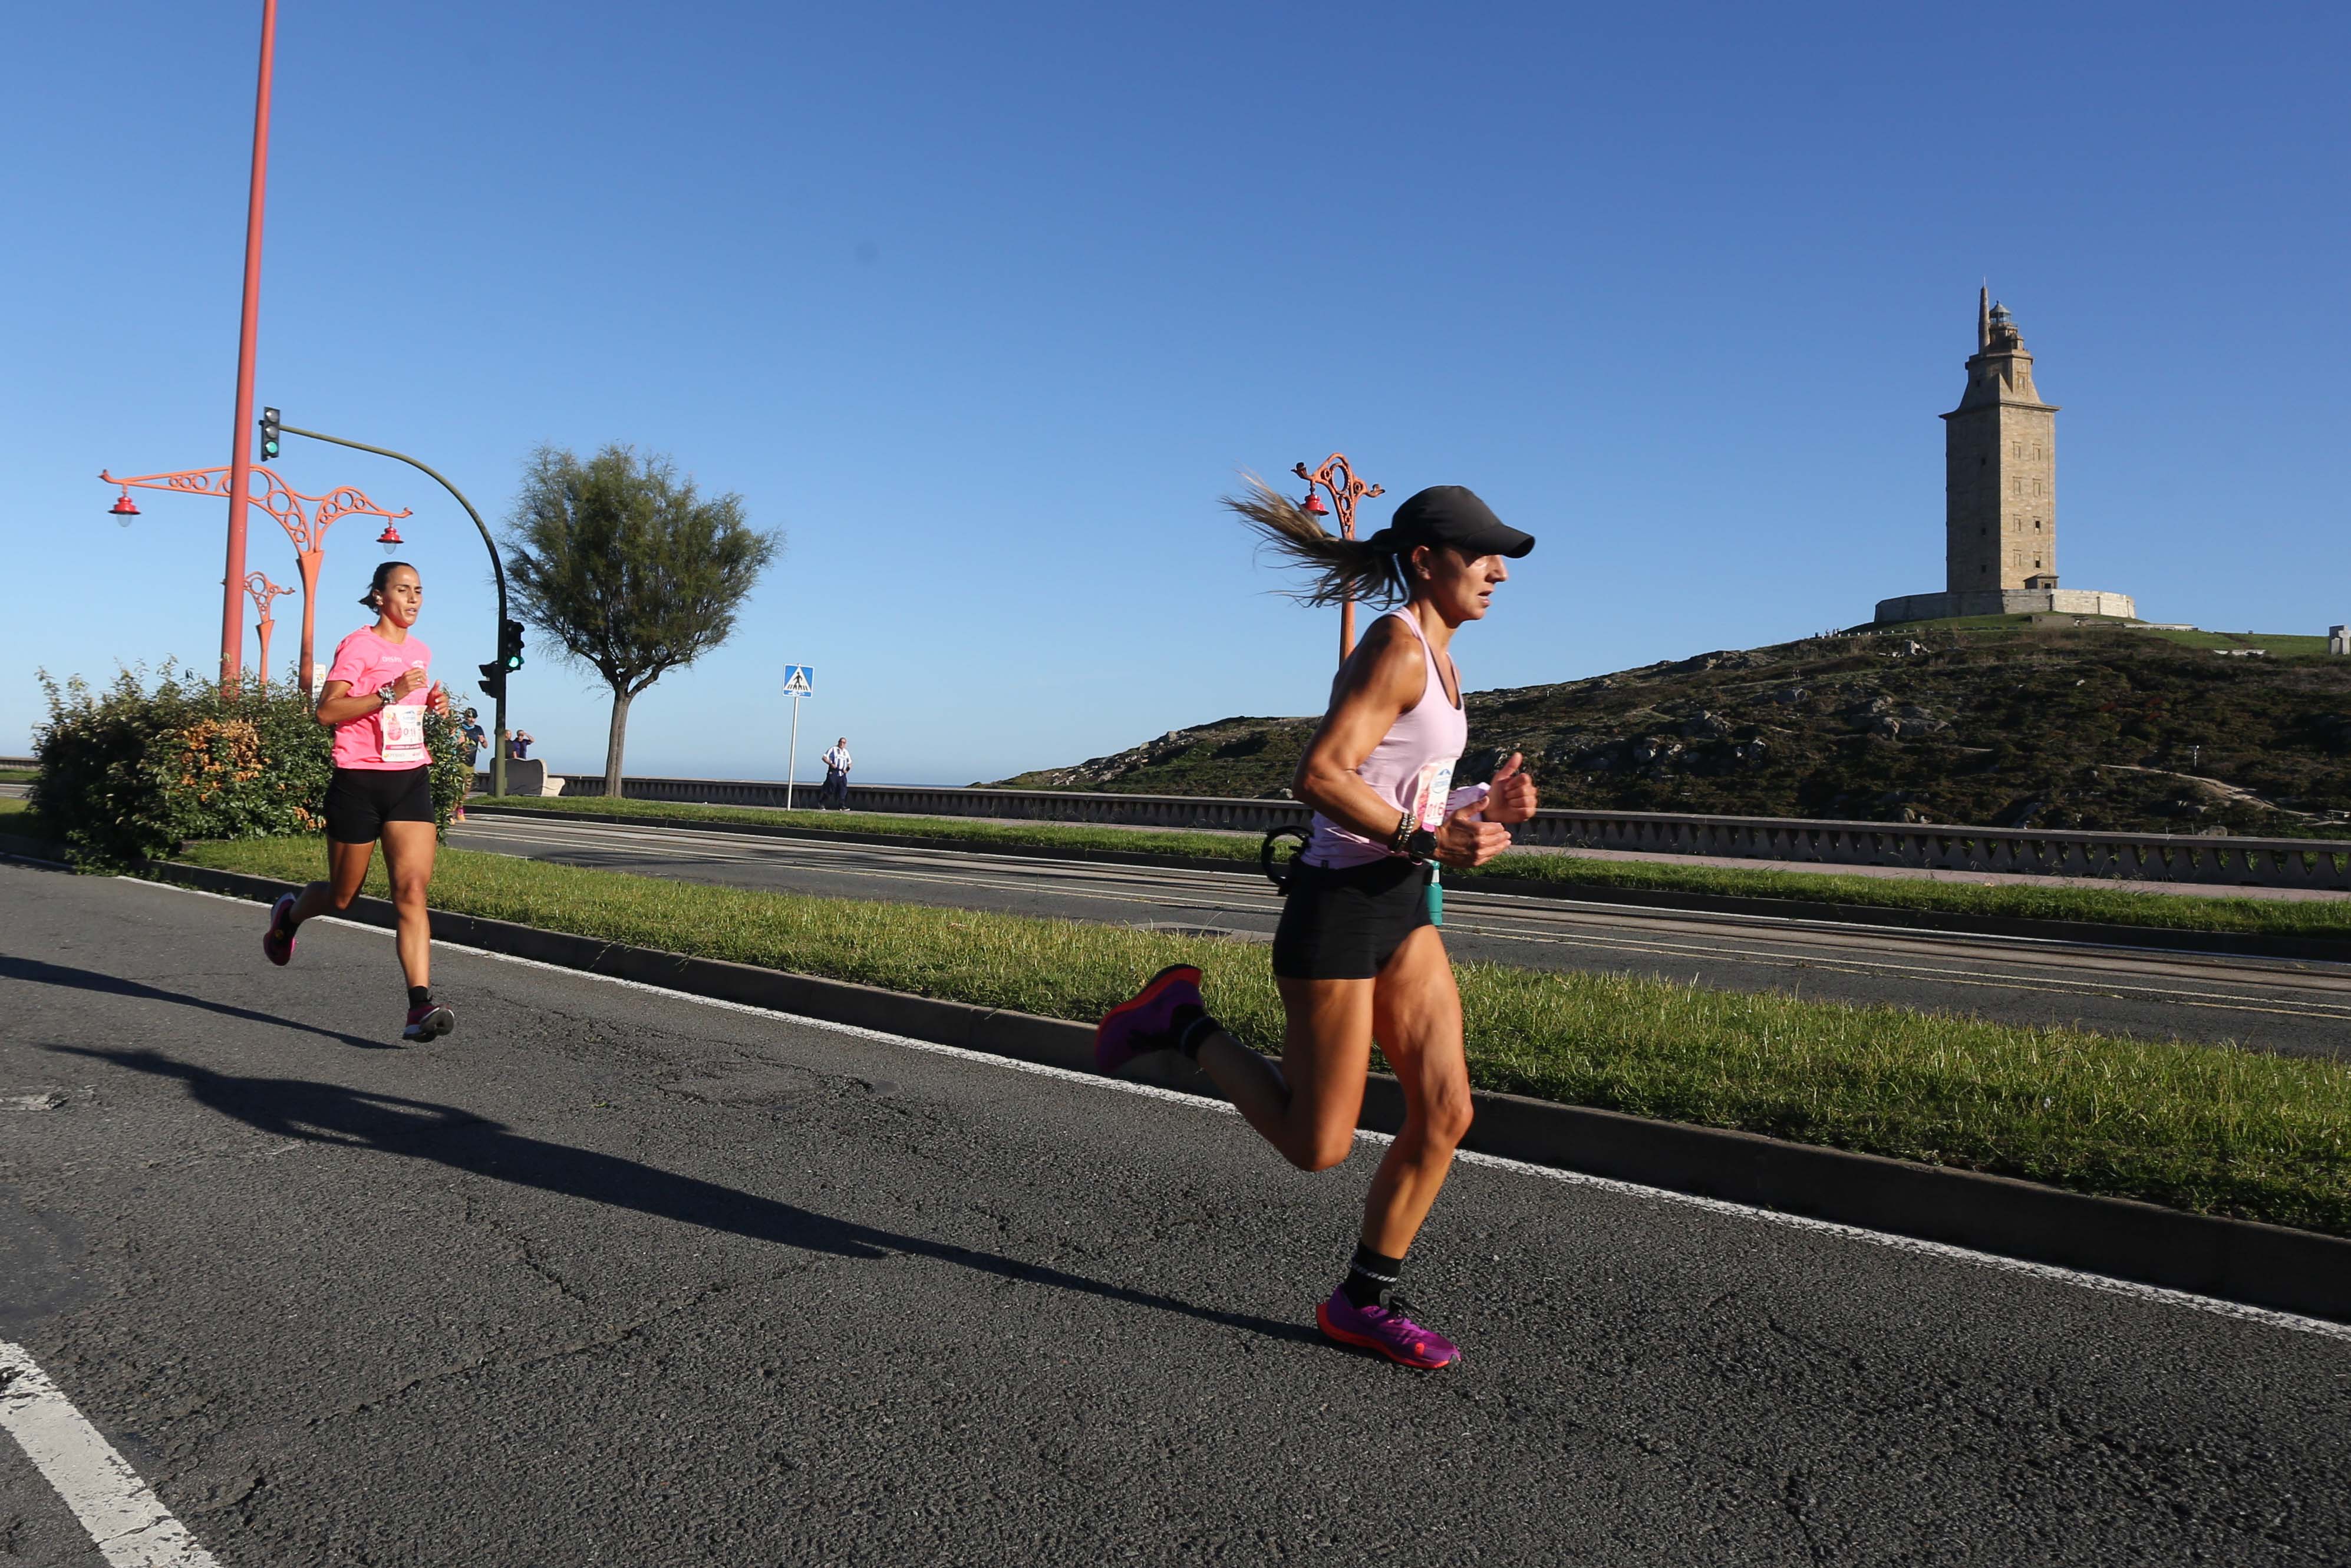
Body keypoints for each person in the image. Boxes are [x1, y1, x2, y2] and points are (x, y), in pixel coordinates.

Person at [1094, 484, 1537, 1369]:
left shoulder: (1444, 663)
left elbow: (1399, 785)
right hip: (1336, 912)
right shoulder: (1397, 650)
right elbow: (1322, 775)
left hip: (1400, 904)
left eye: (1502, 557)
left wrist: (1486, 804)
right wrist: (1428, 837)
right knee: (1316, 1145)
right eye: (1479, 554)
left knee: (1446, 1112)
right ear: (1424, 561)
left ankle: (1362, 1300)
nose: (1496, 571)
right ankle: (1179, 1021)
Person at [261, 560, 457, 1042]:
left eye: (418, 590)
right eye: (402, 589)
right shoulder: (358, 644)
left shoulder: (420, 650)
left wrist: (432, 704)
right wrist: (389, 692)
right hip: (359, 782)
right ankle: (289, 916)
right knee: (343, 896)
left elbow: (406, 706)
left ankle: (418, 1006)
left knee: (411, 890)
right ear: (378, 596)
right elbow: (327, 710)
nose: (412, 599)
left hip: (410, 777)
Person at [456, 708, 486, 820]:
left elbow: (486, 745)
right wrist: (460, 742)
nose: (472, 720)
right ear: (465, 717)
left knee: (467, 787)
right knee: (461, 784)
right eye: (469, 717)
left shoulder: (478, 729)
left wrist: (483, 741)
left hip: (472, 761)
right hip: (461, 760)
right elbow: (454, 741)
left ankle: (459, 806)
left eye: (474, 717)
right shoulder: (460, 728)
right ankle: (457, 810)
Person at [820, 737, 852, 810]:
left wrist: (847, 770)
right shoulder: (833, 749)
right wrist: (831, 764)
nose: (842, 743)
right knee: (831, 787)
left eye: (844, 742)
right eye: (840, 742)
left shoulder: (846, 752)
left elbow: (850, 763)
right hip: (834, 771)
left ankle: (842, 805)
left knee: (843, 789)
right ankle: (822, 802)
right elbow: (824, 758)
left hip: (842, 773)